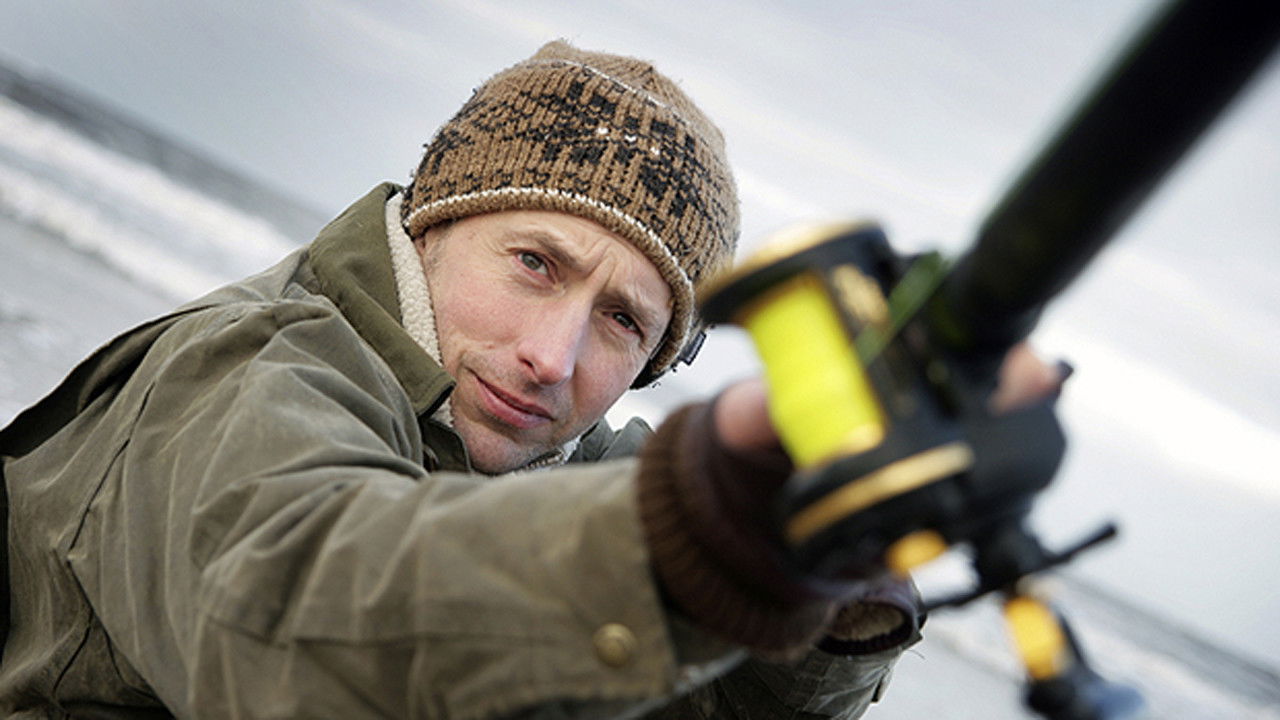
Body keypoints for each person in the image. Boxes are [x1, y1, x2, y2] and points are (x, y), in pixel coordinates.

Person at [0, 41, 1060, 718]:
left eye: (622, 321)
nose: (552, 356)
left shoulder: (552, 469)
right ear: (431, 225)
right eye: (535, 263)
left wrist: (825, 582)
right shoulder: (246, 370)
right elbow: (301, 620)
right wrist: (714, 513)